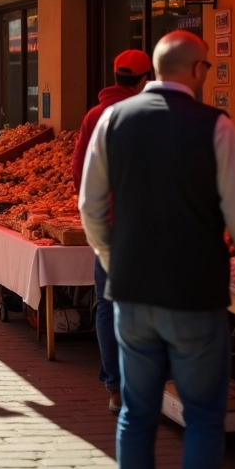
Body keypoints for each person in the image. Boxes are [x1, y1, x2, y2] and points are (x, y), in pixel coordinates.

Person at [79, 30, 235, 469]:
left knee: (136, 416)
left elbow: (89, 205)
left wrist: (112, 258)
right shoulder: (215, 124)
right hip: (195, 290)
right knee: (203, 418)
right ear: (196, 70)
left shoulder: (112, 119)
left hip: (132, 291)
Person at [70, 48, 152, 413]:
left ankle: (115, 387)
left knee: (107, 303)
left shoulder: (94, 115)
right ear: (144, 79)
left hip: (105, 225)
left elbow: (79, 172)